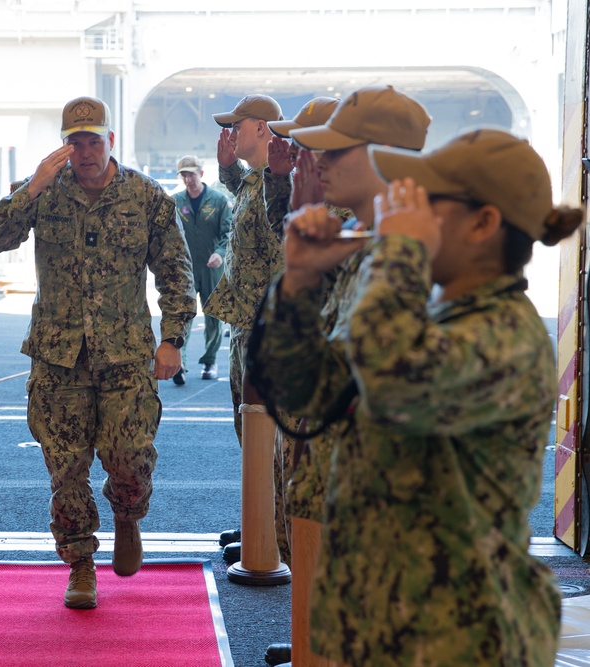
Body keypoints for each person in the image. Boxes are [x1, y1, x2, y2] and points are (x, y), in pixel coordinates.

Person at [249, 127, 580, 665]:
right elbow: (309, 392)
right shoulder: (425, 313)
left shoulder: (504, 336)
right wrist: (298, 282)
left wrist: (399, 249)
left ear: (483, 222)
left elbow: (392, 378)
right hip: (386, 624)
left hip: (463, 637)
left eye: (426, 200)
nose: (406, 209)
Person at [0, 95, 195, 610]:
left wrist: (173, 338)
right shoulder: (43, 194)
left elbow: (175, 271)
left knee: (128, 455)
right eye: (74, 142)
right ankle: (80, 565)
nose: (84, 152)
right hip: (58, 357)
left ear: (110, 141)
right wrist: (30, 188)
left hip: (125, 356)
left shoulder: (145, 197)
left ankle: (127, 514)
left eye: (93, 140)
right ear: (64, 147)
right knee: (66, 467)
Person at [253, 85, 431, 667]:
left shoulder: (411, 256)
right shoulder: (365, 245)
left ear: (387, 159)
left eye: (337, 152)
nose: (319, 164)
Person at [202, 93, 294, 566]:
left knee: (271, 434)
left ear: (262, 128)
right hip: (245, 321)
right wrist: (226, 172)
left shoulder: (285, 181)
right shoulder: (256, 180)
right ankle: (261, 519)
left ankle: (273, 532)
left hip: (268, 328)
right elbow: (250, 204)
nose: (230, 133)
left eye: (237, 126)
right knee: (250, 429)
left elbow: (275, 226)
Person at [170, 155, 231, 384]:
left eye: (191, 174)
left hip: (211, 266)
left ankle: (209, 361)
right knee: (182, 315)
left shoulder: (218, 201)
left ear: (201, 174)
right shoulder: (174, 202)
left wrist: (220, 253)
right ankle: (180, 364)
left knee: (213, 315)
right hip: (184, 267)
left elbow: (228, 233)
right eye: (184, 175)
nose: (188, 179)